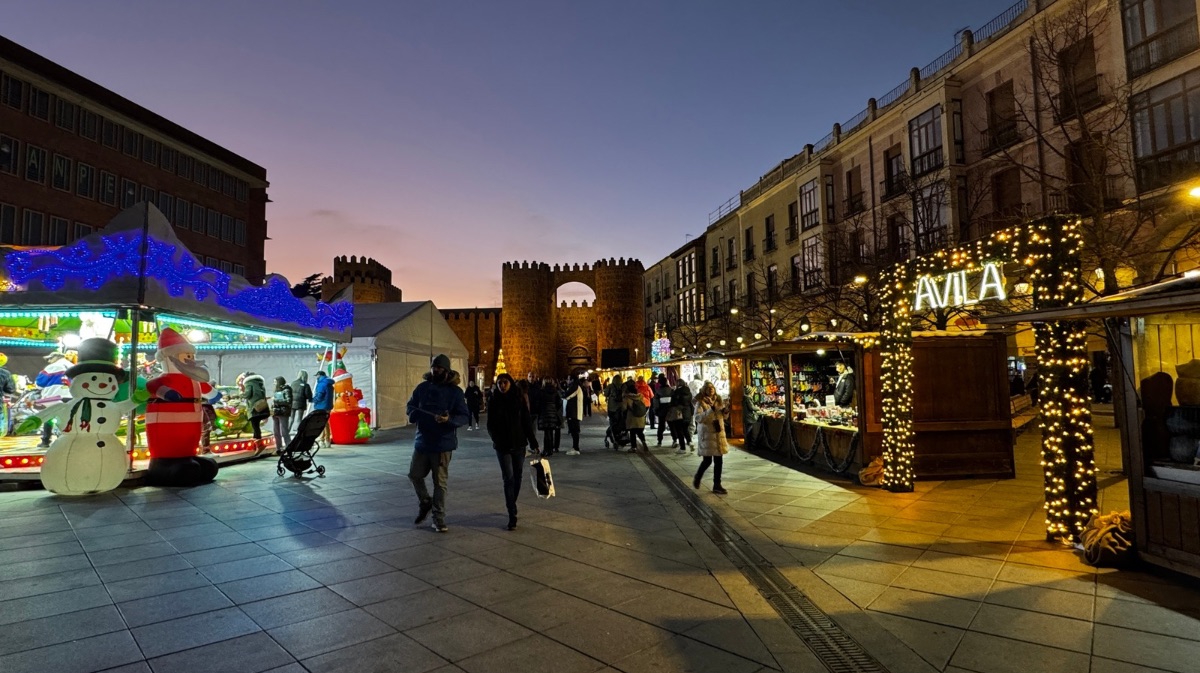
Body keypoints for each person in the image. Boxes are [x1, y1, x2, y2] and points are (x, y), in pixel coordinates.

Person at [406, 354, 469, 533]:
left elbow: (464, 416)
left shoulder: (455, 392)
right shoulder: (422, 388)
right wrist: (415, 413)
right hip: (422, 441)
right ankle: (425, 501)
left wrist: (449, 420)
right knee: (414, 475)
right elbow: (410, 407)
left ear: (446, 370)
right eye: (434, 367)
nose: (436, 370)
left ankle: (438, 517)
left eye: (439, 368)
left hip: (442, 444)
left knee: (439, 483)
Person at [487, 373, 538, 530]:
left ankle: (512, 502)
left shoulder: (518, 399)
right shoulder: (494, 400)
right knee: (508, 478)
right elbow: (490, 424)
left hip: (519, 444)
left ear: (510, 383)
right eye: (499, 383)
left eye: (505, 382)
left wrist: (533, 442)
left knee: (517, 476)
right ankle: (511, 512)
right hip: (502, 446)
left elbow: (526, 422)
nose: (502, 385)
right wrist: (496, 438)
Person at [692, 382, 729, 494]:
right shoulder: (700, 402)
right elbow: (698, 418)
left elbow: (723, 417)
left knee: (719, 461)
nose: (711, 389)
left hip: (718, 434)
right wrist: (710, 410)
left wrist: (725, 412)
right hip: (707, 434)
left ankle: (717, 485)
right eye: (708, 388)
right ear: (704, 390)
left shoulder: (719, 400)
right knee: (707, 461)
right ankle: (698, 476)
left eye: (712, 387)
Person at [35, 350, 73, 447]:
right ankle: (68, 440)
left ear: (56, 357)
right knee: (68, 418)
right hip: (71, 395)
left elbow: (40, 383)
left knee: (49, 417)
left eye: (50, 359)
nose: (49, 361)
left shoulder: (52, 367)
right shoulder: (73, 366)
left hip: (54, 396)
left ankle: (46, 440)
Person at [537, 377, 563, 456]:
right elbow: (559, 403)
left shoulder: (541, 391)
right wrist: (554, 409)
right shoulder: (555, 391)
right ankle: (550, 449)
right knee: (550, 431)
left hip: (544, 414)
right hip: (553, 414)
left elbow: (539, 402)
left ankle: (546, 449)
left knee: (546, 433)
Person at [623, 380, 649, 452]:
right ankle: (643, 442)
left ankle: (633, 447)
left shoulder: (627, 397)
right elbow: (644, 405)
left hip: (632, 417)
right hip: (641, 417)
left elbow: (624, 408)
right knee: (640, 432)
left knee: (632, 432)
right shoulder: (640, 396)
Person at [241, 372, 268, 440]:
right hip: (261, 405)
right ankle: (256, 438)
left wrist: (241, 395)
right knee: (257, 424)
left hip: (253, 407)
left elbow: (247, 394)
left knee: (255, 424)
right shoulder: (260, 383)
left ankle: (257, 440)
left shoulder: (249, 383)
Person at [311, 370, 335, 447]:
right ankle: (327, 440)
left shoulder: (321, 384)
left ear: (320, 376)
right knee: (326, 422)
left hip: (321, 406)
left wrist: (313, 400)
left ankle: (322, 440)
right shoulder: (329, 383)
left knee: (322, 423)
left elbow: (320, 395)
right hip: (328, 405)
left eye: (317, 376)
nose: (316, 377)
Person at [670, 378, 694, 455]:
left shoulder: (677, 392)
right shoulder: (689, 392)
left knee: (679, 431)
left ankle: (682, 448)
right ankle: (690, 442)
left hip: (679, 413)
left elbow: (673, 403)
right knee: (685, 429)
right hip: (687, 413)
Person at [563, 374, 585, 455]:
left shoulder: (574, 386)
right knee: (574, 430)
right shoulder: (576, 386)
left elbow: (566, 395)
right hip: (574, 411)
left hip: (574, 412)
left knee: (574, 430)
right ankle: (575, 447)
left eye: (568, 379)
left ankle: (576, 448)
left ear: (572, 380)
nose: (567, 381)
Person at [604, 374, 626, 449]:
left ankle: (614, 437)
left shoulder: (610, 386)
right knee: (620, 422)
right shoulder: (623, 386)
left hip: (612, 408)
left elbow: (605, 394)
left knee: (613, 422)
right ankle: (620, 435)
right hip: (621, 407)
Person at [271, 376, 293, 451]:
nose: (274, 383)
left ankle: (289, 446)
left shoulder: (286, 390)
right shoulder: (277, 390)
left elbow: (288, 401)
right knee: (276, 432)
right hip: (276, 412)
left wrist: (276, 400)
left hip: (283, 412)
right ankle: (279, 447)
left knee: (284, 431)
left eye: (275, 382)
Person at [655, 375, 673, 446]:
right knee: (671, 425)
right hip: (670, 410)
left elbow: (656, 403)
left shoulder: (658, 391)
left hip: (661, 410)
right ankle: (674, 439)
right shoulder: (671, 390)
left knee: (661, 426)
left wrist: (656, 411)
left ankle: (659, 441)